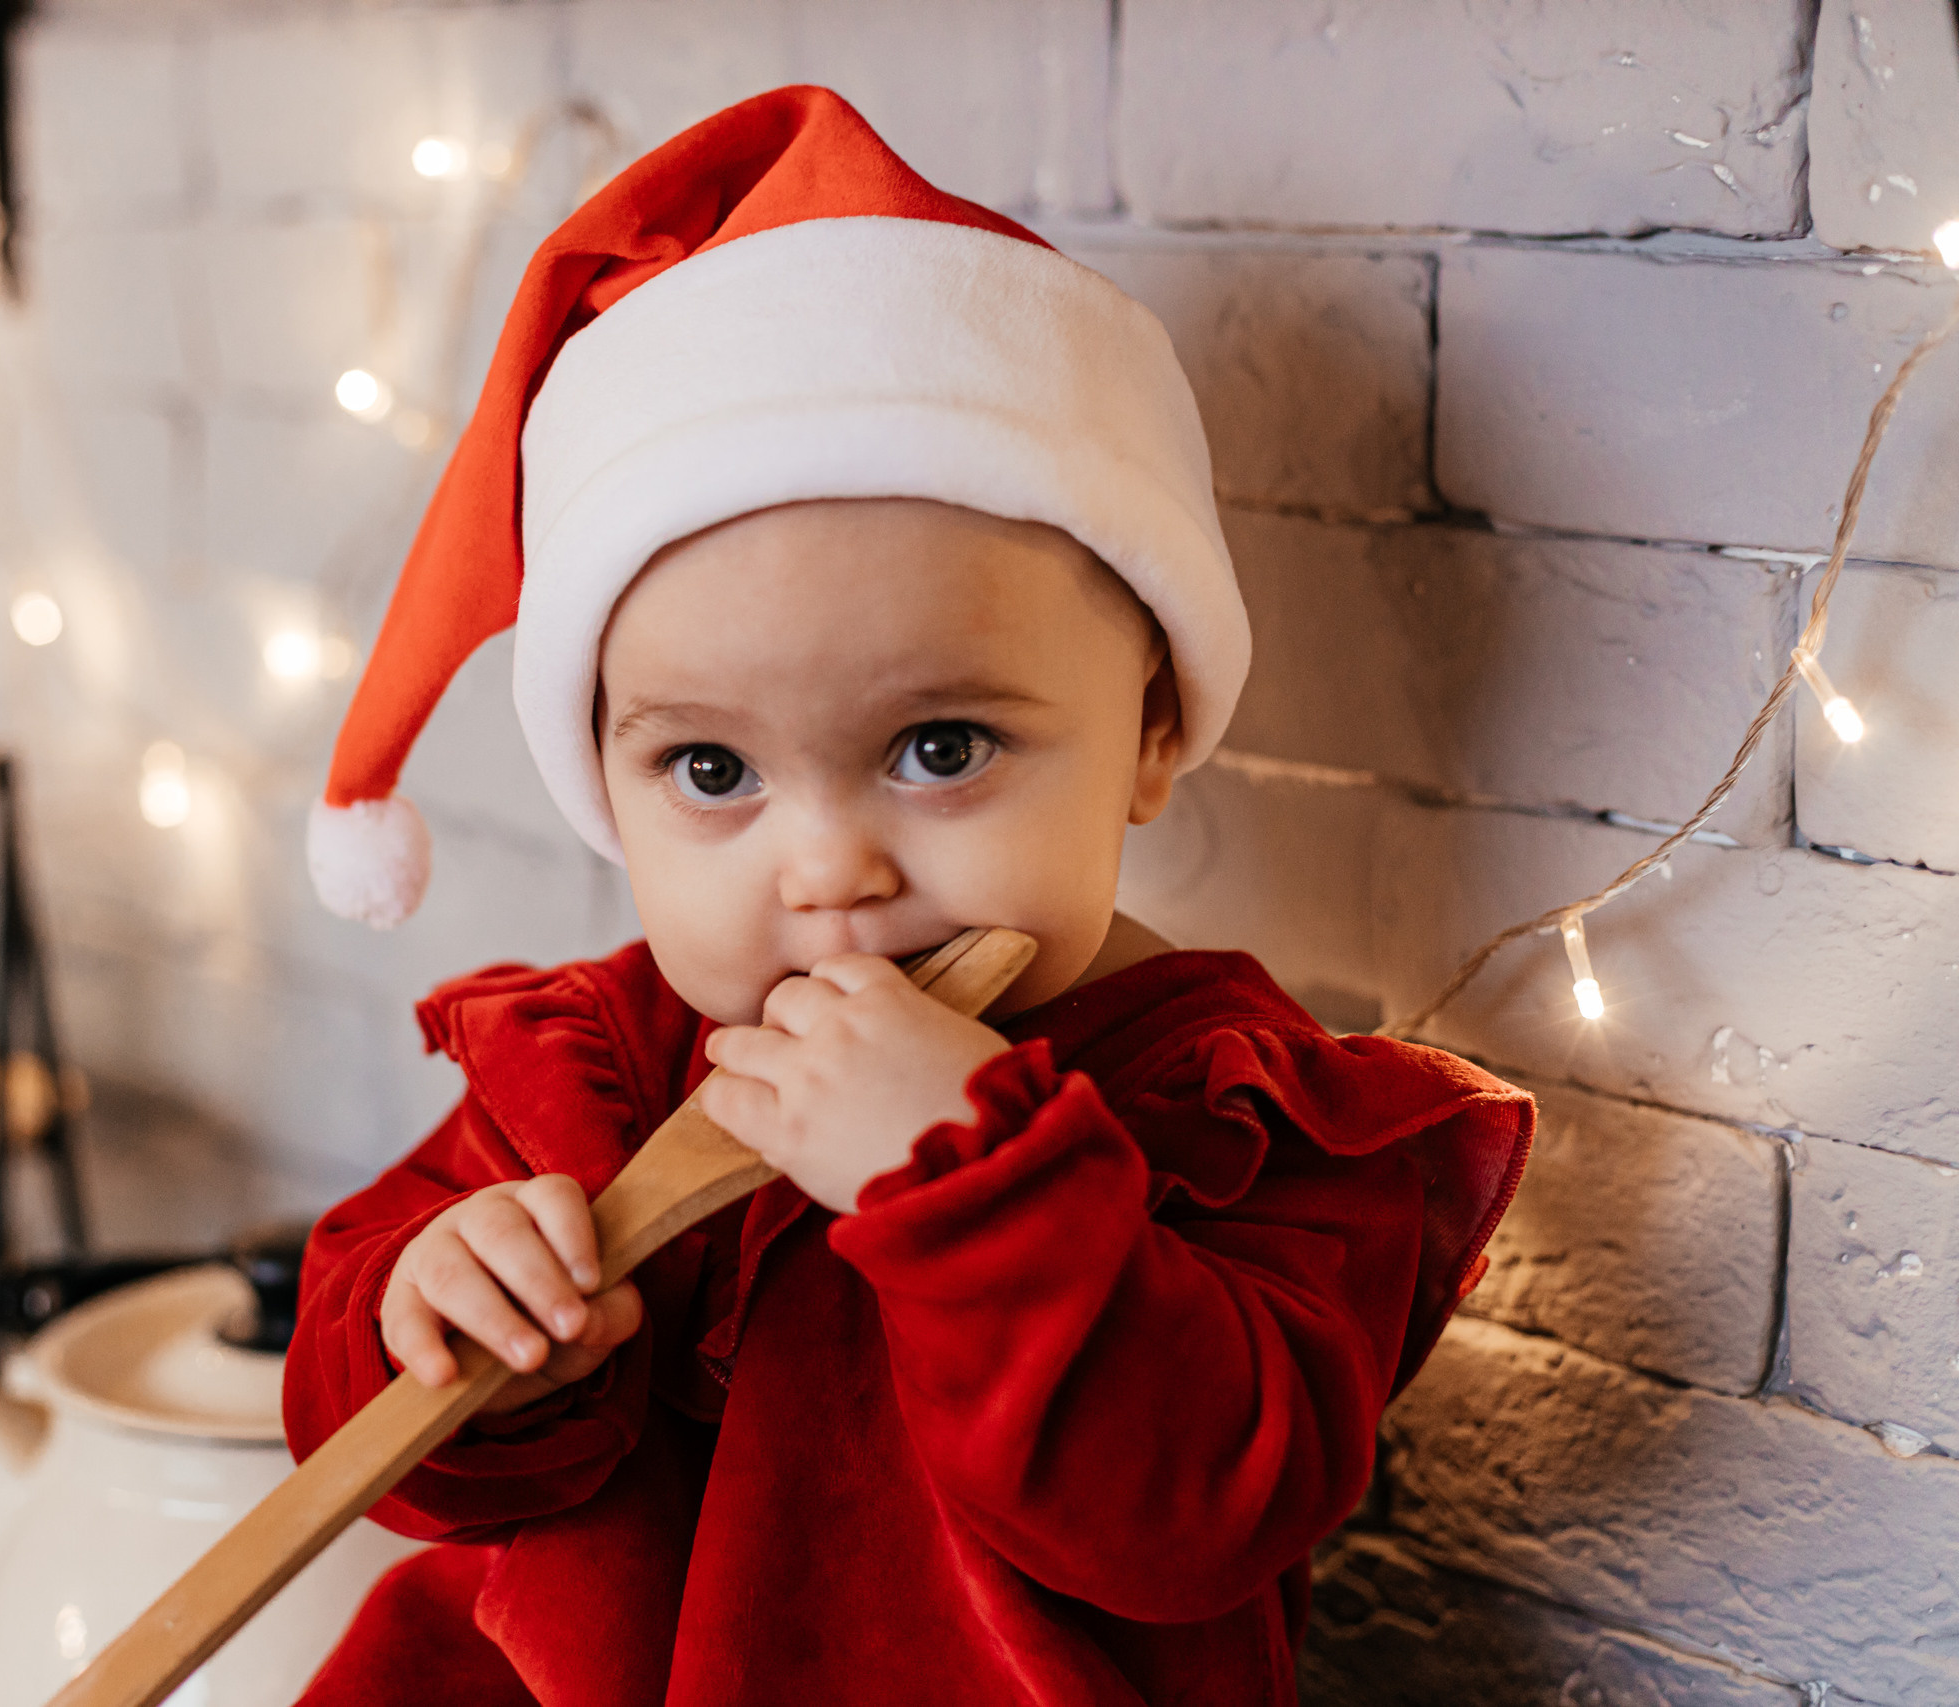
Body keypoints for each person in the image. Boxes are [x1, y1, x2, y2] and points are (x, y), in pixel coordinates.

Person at [285, 86, 1534, 1706]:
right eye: (712, 770)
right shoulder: (602, 1072)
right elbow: (373, 1432)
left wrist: (971, 1177)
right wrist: (447, 1318)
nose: (828, 874)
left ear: (1152, 730)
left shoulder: (1240, 1112)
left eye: (940, 748)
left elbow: (1206, 1511)